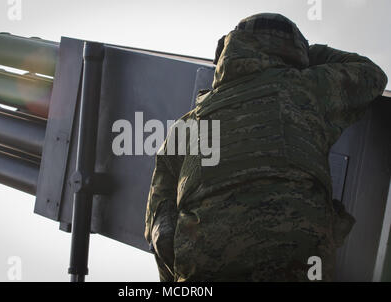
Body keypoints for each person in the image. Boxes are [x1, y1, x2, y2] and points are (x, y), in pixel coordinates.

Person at [144, 13, 388, 282]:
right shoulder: (308, 87)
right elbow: (371, 74)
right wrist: (307, 55)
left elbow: (161, 230)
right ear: (295, 53)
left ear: (228, 51)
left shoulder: (185, 127)